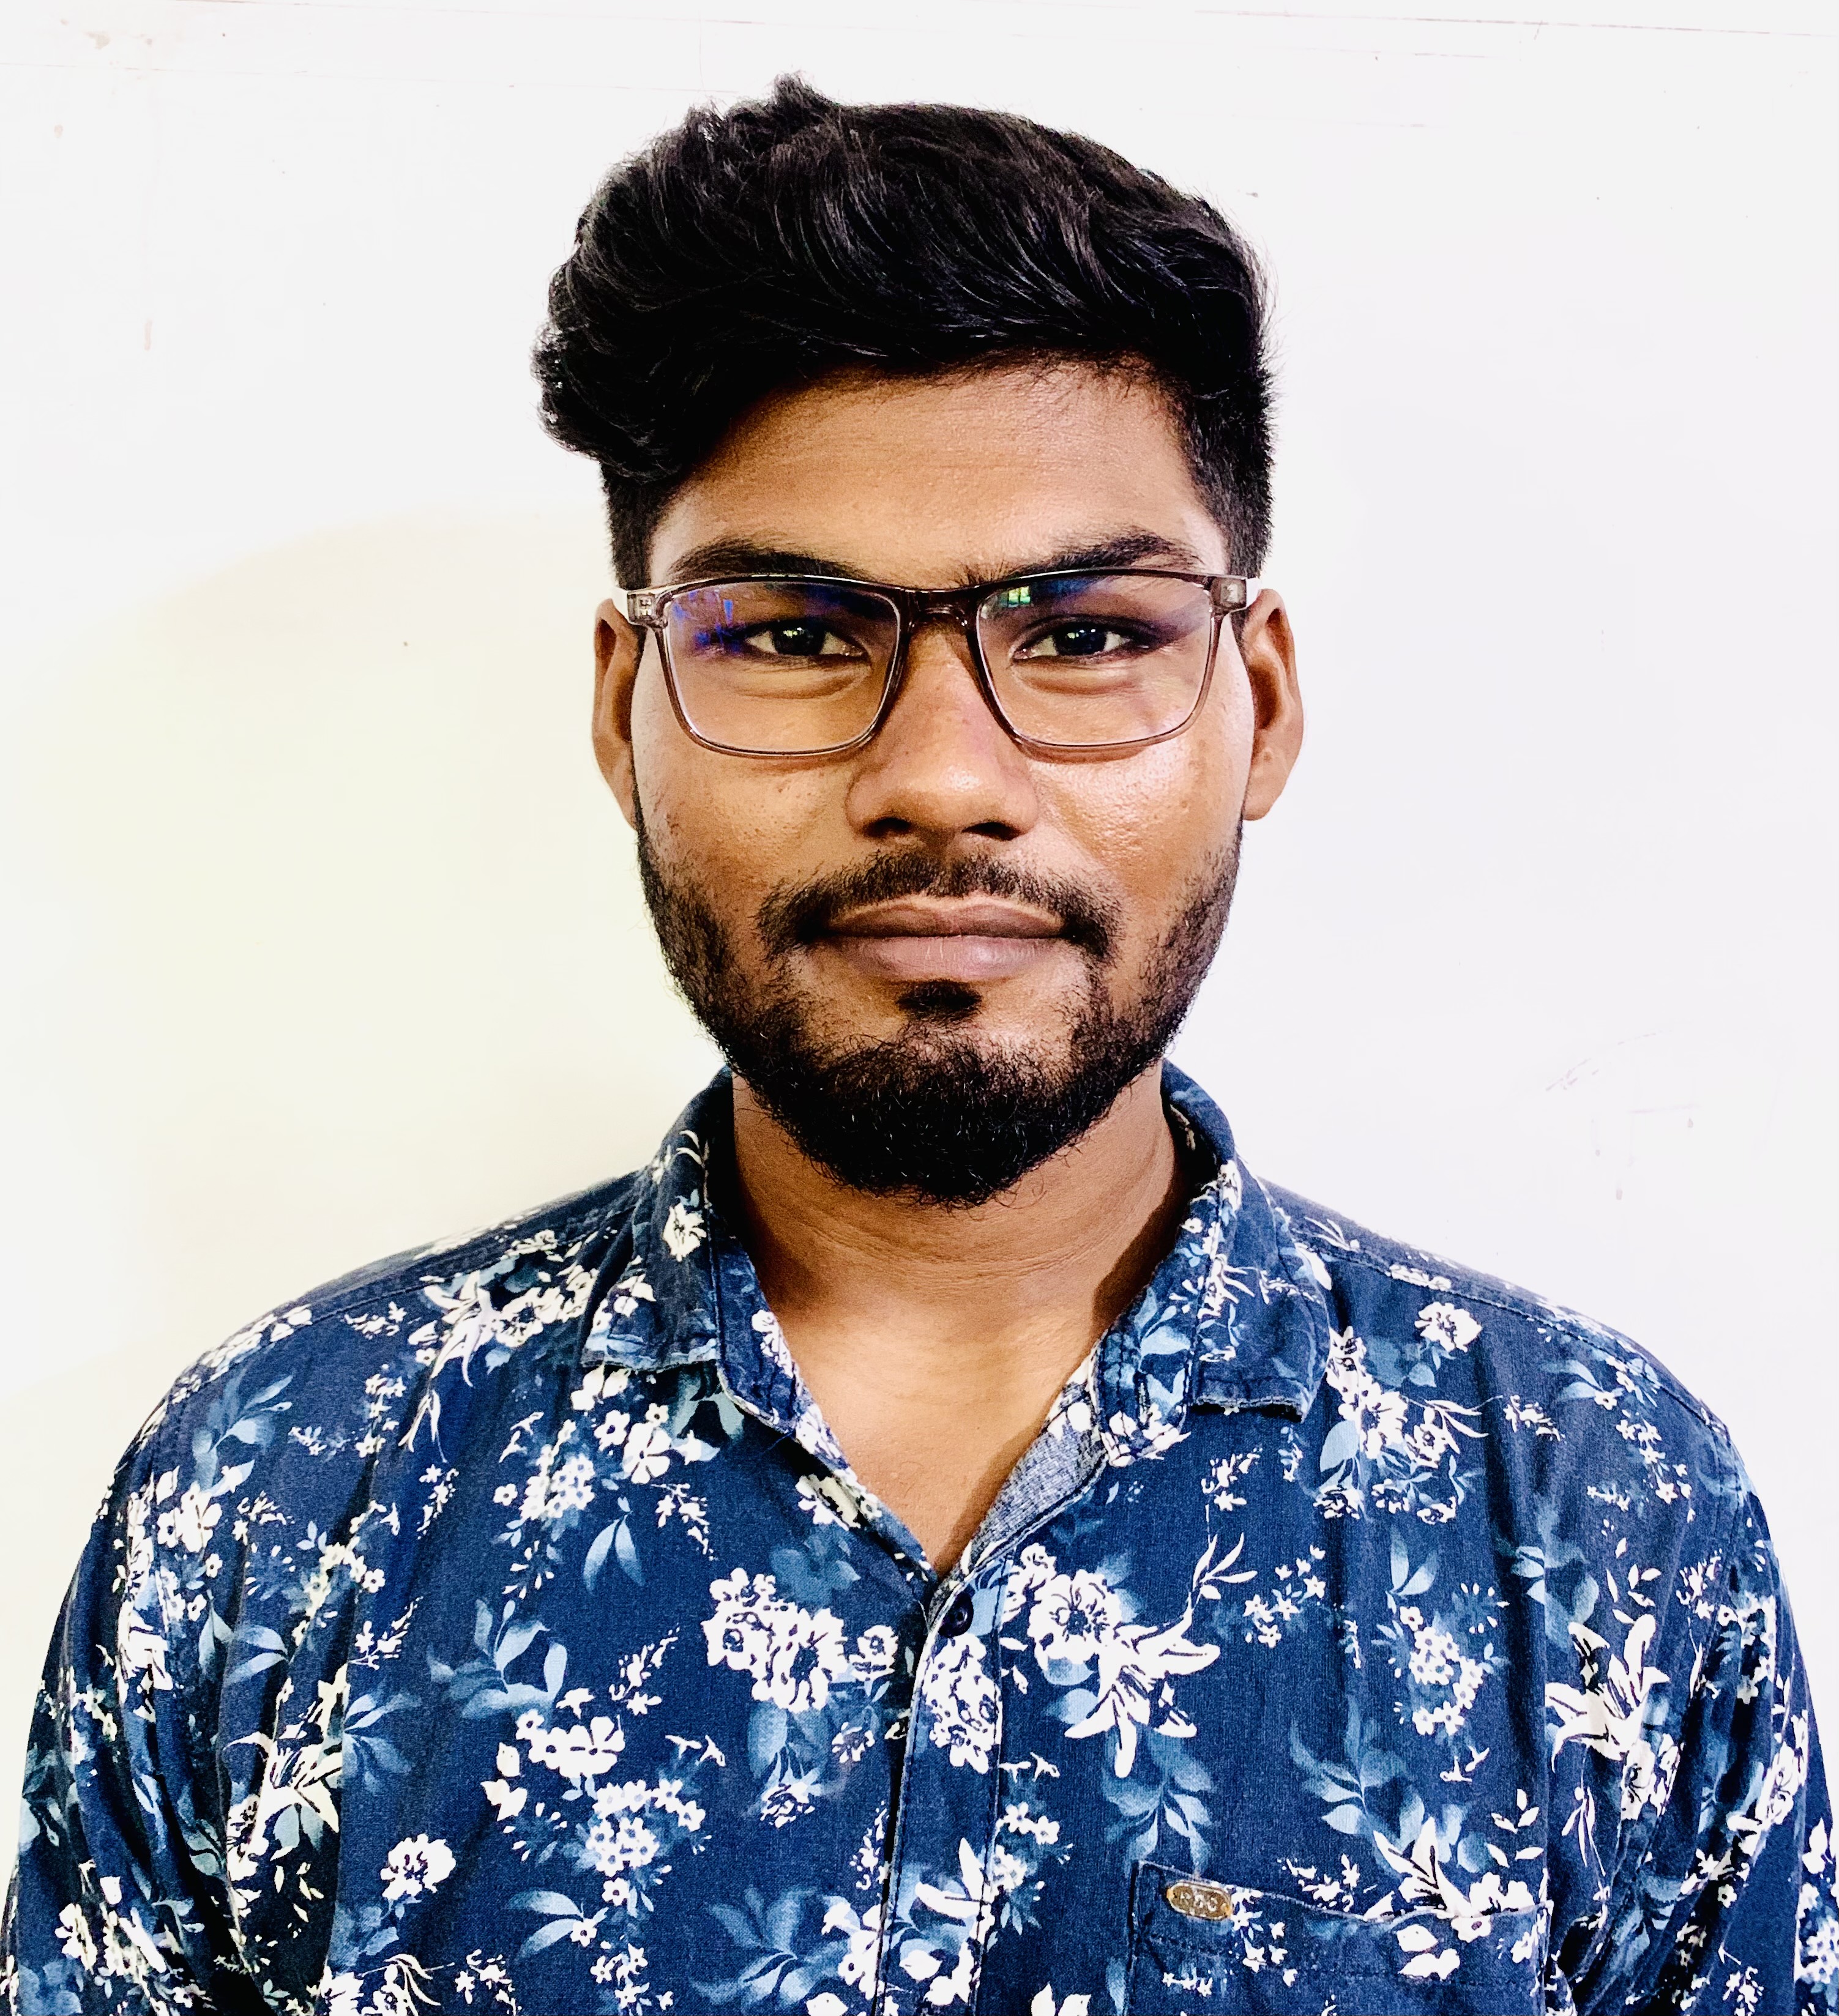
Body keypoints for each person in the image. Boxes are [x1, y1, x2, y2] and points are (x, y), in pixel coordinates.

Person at [2, 77, 1830, 2016]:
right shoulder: (277, 1492)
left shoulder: (1592, 1514)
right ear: (625, 710)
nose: (943, 777)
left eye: (1088, 632)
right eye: (795, 633)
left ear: (1261, 702)